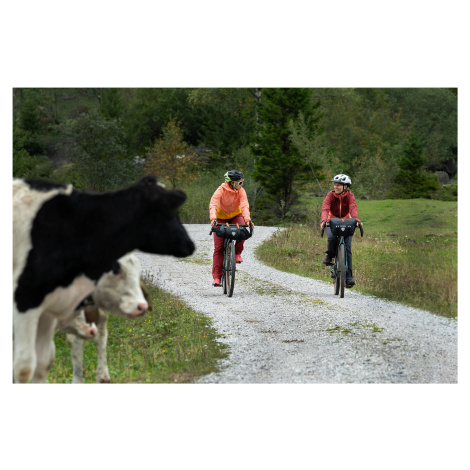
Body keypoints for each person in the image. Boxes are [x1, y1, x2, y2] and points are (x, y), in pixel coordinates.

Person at [209, 170, 253, 287]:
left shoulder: (241, 191)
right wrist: (213, 219)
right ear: (231, 183)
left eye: (242, 182)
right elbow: (213, 204)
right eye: (240, 182)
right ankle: (217, 277)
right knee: (219, 248)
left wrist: (248, 220)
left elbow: (244, 206)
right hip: (220, 218)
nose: (242, 184)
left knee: (243, 230)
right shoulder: (220, 190)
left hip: (235, 215)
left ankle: (237, 253)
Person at [320, 174, 362, 288]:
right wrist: (324, 220)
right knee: (331, 238)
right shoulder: (330, 195)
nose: (336, 187)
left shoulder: (350, 195)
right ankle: (330, 256)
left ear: (345, 186)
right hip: (331, 221)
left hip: (346, 221)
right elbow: (325, 208)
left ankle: (349, 278)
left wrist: (356, 220)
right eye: (335, 184)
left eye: (339, 185)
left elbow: (353, 208)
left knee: (347, 248)